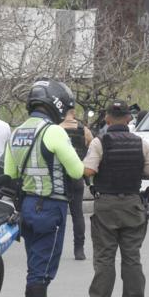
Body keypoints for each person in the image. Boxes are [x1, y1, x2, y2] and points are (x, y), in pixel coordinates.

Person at [3, 78, 84, 297]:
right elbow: (76, 171)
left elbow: (10, 174)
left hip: (27, 208)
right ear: (56, 104)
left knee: (36, 269)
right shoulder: (54, 132)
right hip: (50, 208)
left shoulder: (16, 132)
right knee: (41, 274)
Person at [80, 100, 149, 297]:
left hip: (106, 204)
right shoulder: (140, 142)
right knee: (132, 256)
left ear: (106, 118)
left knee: (105, 256)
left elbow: (88, 170)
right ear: (129, 118)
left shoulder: (99, 142)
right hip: (132, 204)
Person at [60, 107, 94, 260]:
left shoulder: (56, 129)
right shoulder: (85, 130)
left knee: (58, 214)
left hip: (59, 177)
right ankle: (79, 249)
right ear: (74, 113)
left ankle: (56, 246)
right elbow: (92, 150)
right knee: (77, 214)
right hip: (77, 176)